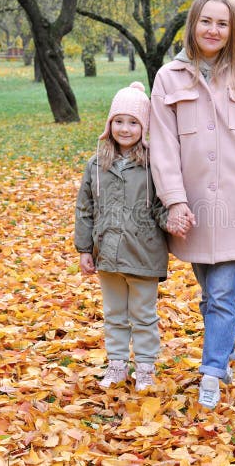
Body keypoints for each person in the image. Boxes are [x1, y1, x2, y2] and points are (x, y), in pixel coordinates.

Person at [149, 0, 235, 409]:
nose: (213, 29)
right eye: (206, 21)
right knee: (211, 297)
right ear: (193, 24)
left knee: (224, 295)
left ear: (232, 29)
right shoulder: (168, 78)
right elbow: (163, 146)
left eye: (222, 23)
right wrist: (173, 200)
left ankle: (209, 372)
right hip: (193, 210)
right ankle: (222, 360)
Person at [74, 81, 169, 392]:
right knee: (114, 313)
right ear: (109, 123)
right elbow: (85, 209)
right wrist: (85, 248)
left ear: (143, 127)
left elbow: (163, 204)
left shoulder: (155, 164)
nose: (125, 129)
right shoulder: (96, 165)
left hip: (143, 253)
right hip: (108, 254)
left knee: (143, 315)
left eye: (133, 122)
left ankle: (144, 367)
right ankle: (116, 365)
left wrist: (173, 221)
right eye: (119, 121)